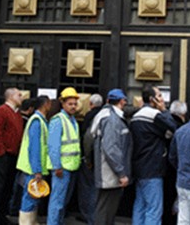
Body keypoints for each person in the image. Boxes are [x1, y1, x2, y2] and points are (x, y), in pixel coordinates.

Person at [130, 84, 176, 225]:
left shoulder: (135, 116)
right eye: (159, 96)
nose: (162, 99)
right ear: (152, 99)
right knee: (154, 209)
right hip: (152, 167)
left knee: (140, 205)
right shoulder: (154, 115)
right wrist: (164, 111)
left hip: (139, 166)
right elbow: (173, 127)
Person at [90, 88, 133, 225]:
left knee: (105, 209)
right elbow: (111, 149)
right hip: (110, 174)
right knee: (105, 211)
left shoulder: (104, 115)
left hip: (106, 171)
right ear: (122, 101)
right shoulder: (112, 120)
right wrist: (121, 173)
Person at [0, 87, 23, 225]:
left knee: (7, 187)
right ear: (11, 97)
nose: (21, 97)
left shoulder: (17, 113)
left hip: (13, 154)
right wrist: (0, 151)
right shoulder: (1, 112)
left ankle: (2, 215)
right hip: (3, 155)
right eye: (19, 95)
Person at [16, 95, 52, 225]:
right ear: (46, 104)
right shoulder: (37, 121)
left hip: (34, 166)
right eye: (50, 103)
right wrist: (37, 169)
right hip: (32, 167)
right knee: (30, 197)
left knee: (34, 197)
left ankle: (31, 221)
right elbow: (35, 147)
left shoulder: (40, 120)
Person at [47, 87, 81, 225]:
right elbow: (53, 146)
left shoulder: (73, 120)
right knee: (57, 201)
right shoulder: (57, 120)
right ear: (63, 104)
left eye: (75, 104)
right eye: (70, 104)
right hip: (61, 168)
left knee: (63, 201)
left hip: (71, 166)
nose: (73, 106)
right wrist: (57, 166)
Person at [78, 93, 103, 225]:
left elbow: (87, 138)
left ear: (90, 104)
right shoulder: (104, 115)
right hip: (100, 159)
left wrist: (87, 158)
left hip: (90, 159)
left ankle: (88, 216)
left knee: (87, 188)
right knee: (96, 189)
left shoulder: (89, 116)